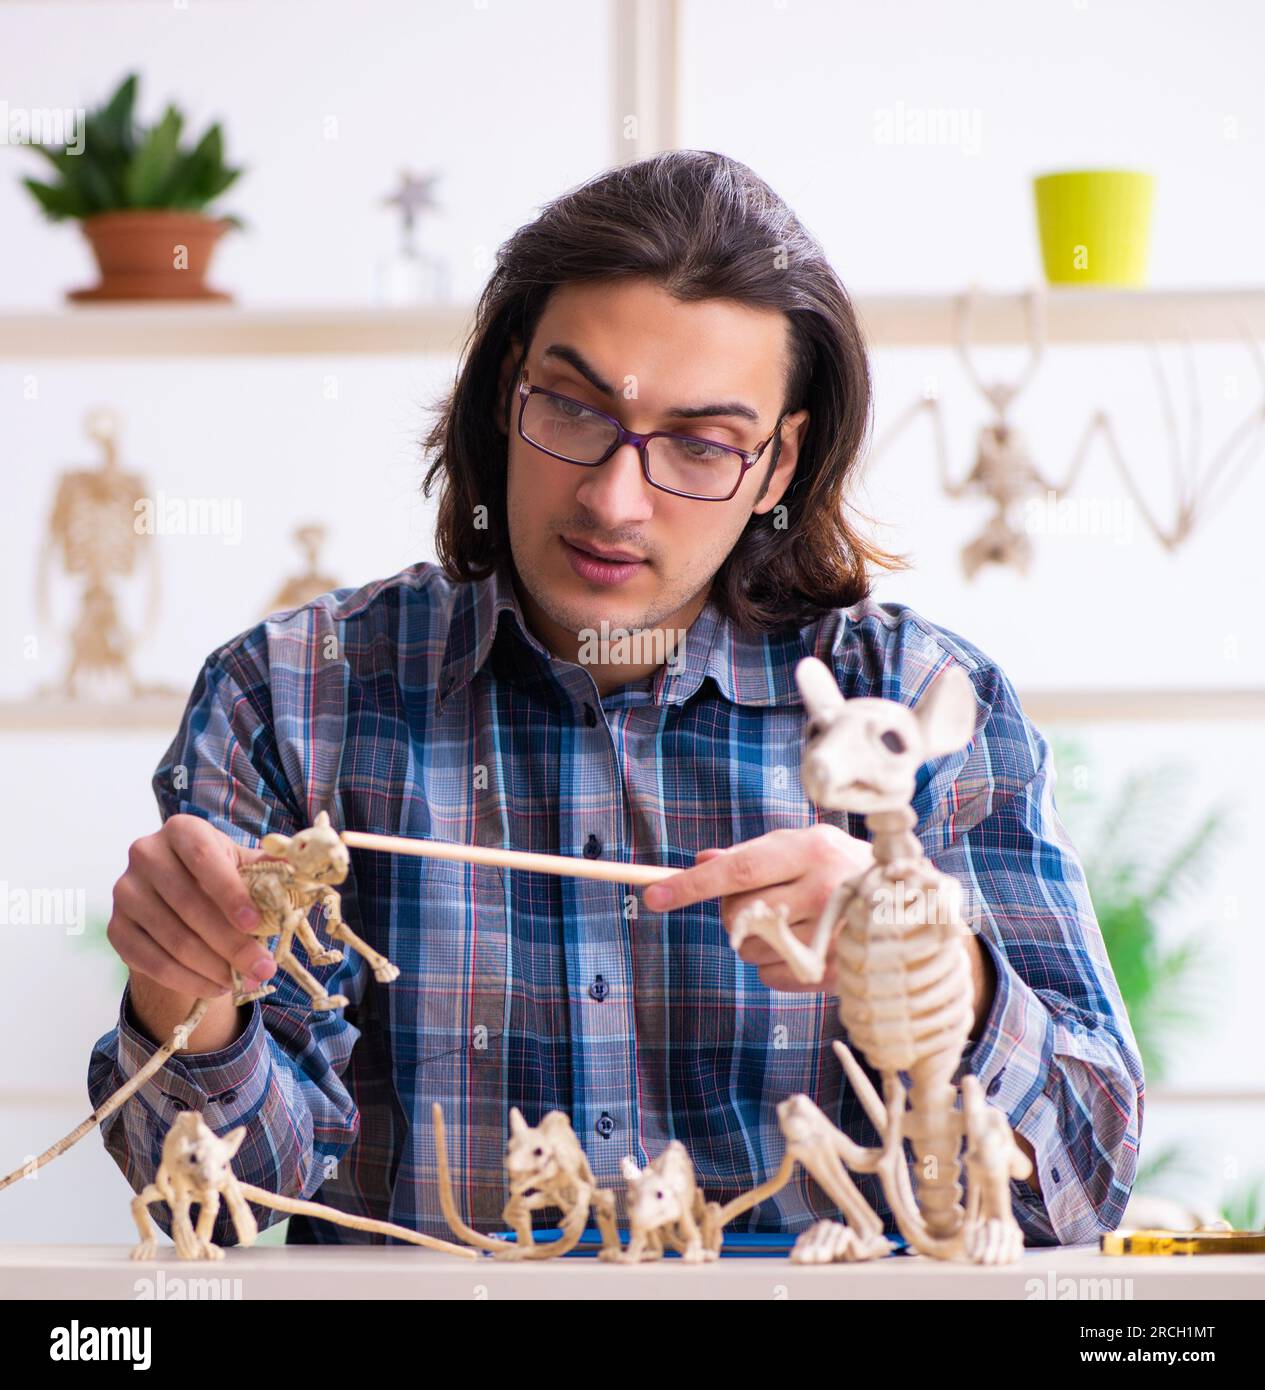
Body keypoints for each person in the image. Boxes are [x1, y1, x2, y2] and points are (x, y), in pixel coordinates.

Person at [89, 149, 1143, 1249]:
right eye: (575, 408)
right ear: (507, 389)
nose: (611, 497)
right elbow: (223, 1205)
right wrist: (188, 995)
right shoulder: (293, 696)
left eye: (699, 443)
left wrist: (936, 974)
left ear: (778, 466)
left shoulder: (913, 708)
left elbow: (1078, 1186)